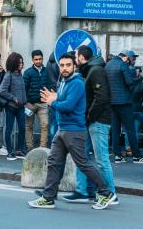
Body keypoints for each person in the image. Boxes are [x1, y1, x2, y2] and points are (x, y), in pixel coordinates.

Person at [28, 53, 116, 210]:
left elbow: (67, 106)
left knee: (83, 163)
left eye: (68, 65)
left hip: (74, 131)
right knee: (54, 162)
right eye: (62, 65)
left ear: (74, 66)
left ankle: (106, 193)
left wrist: (52, 101)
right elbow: (62, 100)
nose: (65, 68)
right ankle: (48, 197)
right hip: (62, 130)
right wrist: (55, 97)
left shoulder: (77, 83)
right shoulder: (63, 81)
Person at [66, 45, 115, 202]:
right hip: (89, 120)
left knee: (102, 160)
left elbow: (101, 98)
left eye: (76, 56)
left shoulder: (96, 71)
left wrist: (89, 116)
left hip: (98, 121)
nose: (74, 59)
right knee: (81, 156)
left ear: (81, 57)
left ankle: (110, 194)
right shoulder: (88, 70)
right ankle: (83, 191)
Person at [106, 51, 143, 163]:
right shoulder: (122, 65)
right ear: (125, 58)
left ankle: (118, 156)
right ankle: (136, 156)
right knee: (130, 130)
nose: (130, 62)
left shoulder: (108, 65)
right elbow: (129, 82)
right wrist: (138, 79)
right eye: (130, 59)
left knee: (115, 129)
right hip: (124, 102)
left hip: (112, 102)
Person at [0, 51, 27, 160]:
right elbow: (1, 91)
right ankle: (10, 152)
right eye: (20, 63)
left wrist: (24, 101)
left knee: (22, 128)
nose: (22, 64)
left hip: (21, 107)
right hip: (11, 107)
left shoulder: (20, 74)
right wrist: (13, 98)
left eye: (22, 62)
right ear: (14, 63)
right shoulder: (8, 75)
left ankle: (20, 150)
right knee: (9, 129)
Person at [23, 50, 53, 150]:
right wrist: (26, 103)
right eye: (36, 59)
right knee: (29, 126)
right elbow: (24, 89)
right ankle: (30, 148)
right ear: (32, 60)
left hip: (43, 104)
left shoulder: (47, 71)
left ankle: (42, 148)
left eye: (40, 59)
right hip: (30, 104)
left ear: (42, 59)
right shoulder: (28, 72)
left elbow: (50, 85)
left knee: (45, 125)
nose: (38, 61)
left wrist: (49, 101)